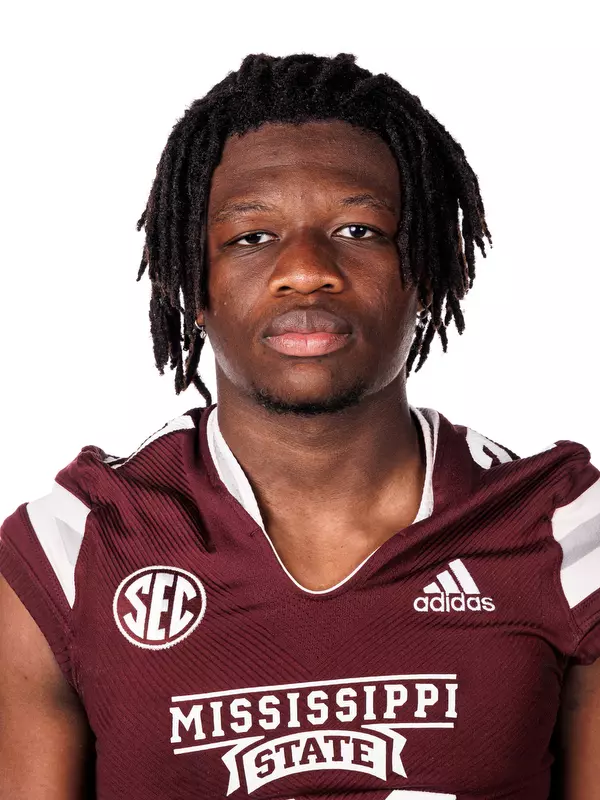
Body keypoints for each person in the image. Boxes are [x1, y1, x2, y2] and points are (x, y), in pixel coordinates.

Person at [0, 52, 597, 800]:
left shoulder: (570, 534)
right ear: (193, 280)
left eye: (359, 229)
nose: (306, 269)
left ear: (432, 268)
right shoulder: (72, 551)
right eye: (252, 238)